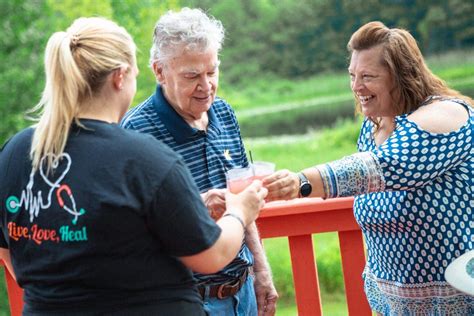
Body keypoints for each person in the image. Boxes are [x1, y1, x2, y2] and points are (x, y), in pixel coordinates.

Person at [0, 16, 268, 316]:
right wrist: (240, 210)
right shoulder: (143, 156)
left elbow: (8, 245)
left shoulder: (15, 152)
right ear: (120, 76)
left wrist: (51, 289)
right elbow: (212, 255)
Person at [264, 21, 473, 315]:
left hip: (455, 302)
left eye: (368, 76)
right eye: (352, 75)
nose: (356, 86)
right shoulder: (373, 126)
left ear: (402, 77)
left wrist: (300, 182)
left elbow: (380, 168)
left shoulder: (446, 115)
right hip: (391, 305)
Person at [121, 8, 278, 316]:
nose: (206, 86)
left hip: (242, 292)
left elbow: (242, 205)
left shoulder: (224, 114)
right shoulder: (136, 132)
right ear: (159, 71)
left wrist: (261, 271)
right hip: (183, 302)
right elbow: (127, 233)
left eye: (212, 72)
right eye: (192, 76)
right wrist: (194, 207)